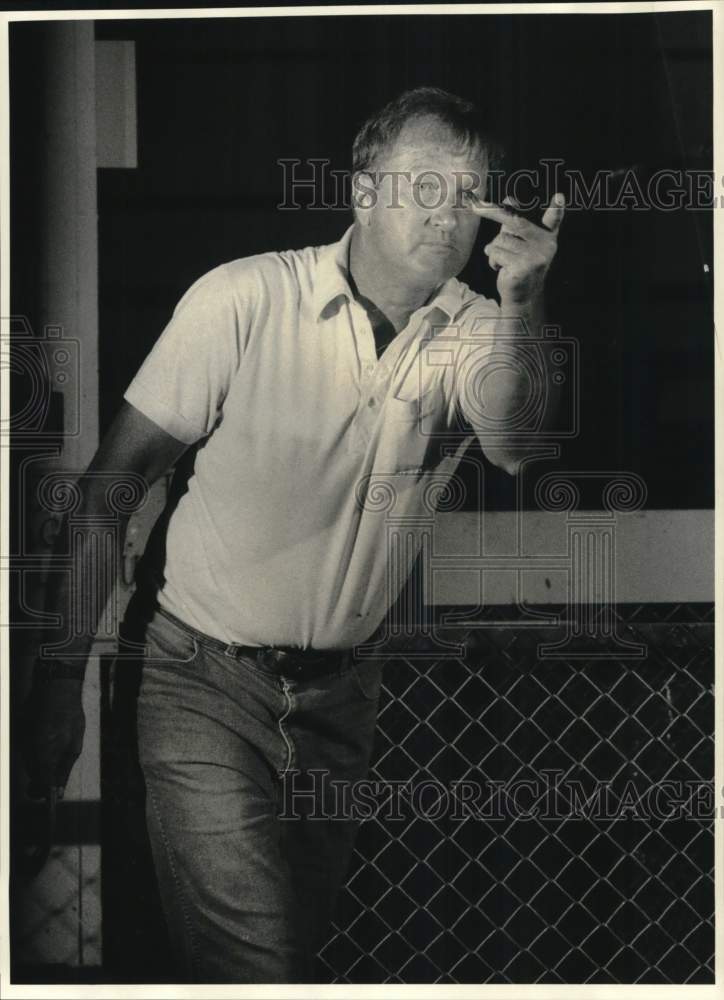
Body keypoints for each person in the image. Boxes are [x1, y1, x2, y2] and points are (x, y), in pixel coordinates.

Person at [23, 86, 565, 982]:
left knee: (284, 962)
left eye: (470, 192)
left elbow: (513, 443)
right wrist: (55, 686)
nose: (448, 211)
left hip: (341, 704)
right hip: (199, 684)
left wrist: (525, 297)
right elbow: (107, 489)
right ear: (360, 191)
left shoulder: (477, 328)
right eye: (423, 181)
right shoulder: (246, 298)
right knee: (259, 968)